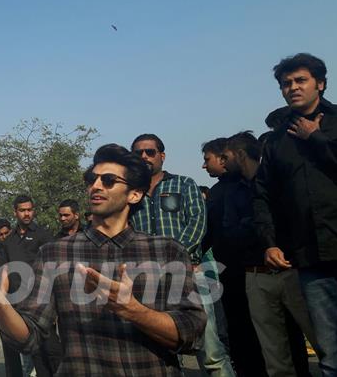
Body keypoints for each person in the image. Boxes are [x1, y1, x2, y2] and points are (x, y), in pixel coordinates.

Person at [0, 144, 206, 375]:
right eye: (92, 179)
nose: (96, 186)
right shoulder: (56, 253)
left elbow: (191, 333)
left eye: (108, 181)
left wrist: (133, 310)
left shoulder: (166, 252)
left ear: (135, 195)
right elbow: (29, 336)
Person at [254, 53, 337, 376]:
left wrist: (316, 140)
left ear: (320, 83)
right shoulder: (276, 143)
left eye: (300, 80)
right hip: (311, 259)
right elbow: (263, 196)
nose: (292, 88)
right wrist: (270, 243)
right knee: (331, 354)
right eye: (285, 83)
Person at [130, 134, 234, 377]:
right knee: (161, 353)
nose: (144, 157)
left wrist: (175, 258)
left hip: (189, 274)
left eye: (150, 152)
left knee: (211, 352)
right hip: (149, 279)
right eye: (138, 153)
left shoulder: (184, 184)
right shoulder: (131, 195)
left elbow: (198, 222)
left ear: (162, 156)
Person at [222, 131, 318, 377]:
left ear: (241, 154)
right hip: (255, 275)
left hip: (292, 271)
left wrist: (256, 227)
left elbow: (294, 222)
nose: (223, 162)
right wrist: (258, 226)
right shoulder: (232, 192)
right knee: (274, 354)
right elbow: (230, 233)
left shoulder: (279, 183)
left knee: (324, 341)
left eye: (227, 155)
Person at [202, 136, 268, 376]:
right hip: (228, 270)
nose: (205, 165)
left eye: (209, 159)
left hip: (258, 267)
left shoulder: (252, 183)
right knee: (238, 330)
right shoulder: (220, 190)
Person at [0, 195, 60, 376]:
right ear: (15, 212)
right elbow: (3, 272)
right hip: (17, 304)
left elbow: (53, 268)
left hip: (42, 303)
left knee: (53, 351)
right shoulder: (8, 241)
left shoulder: (44, 235)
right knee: (36, 355)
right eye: (22, 210)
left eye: (29, 210)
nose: (26, 214)